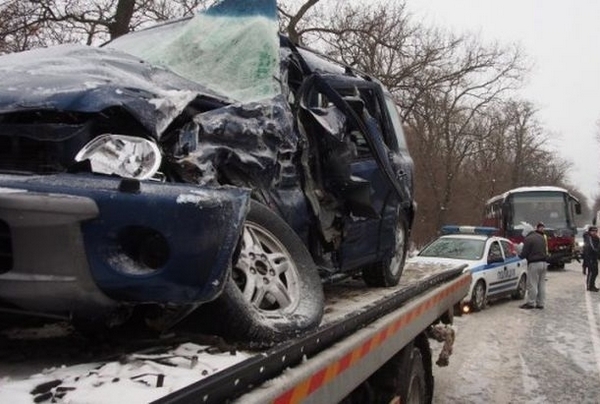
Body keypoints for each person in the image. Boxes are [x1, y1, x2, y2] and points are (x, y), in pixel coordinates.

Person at [518, 222, 549, 309]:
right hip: (544, 263)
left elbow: (524, 254)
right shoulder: (541, 237)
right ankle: (541, 303)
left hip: (534, 263)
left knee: (532, 284)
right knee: (541, 284)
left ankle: (531, 303)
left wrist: (517, 254)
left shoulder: (528, 239)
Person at [583, 226, 600, 292]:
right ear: (590, 231)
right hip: (590, 257)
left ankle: (592, 285)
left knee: (595, 272)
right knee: (591, 272)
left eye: (596, 231)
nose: (594, 232)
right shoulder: (589, 238)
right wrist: (597, 251)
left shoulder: (596, 238)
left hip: (594, 257)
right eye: (593, 231)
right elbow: (592, 247)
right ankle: (589, 286)